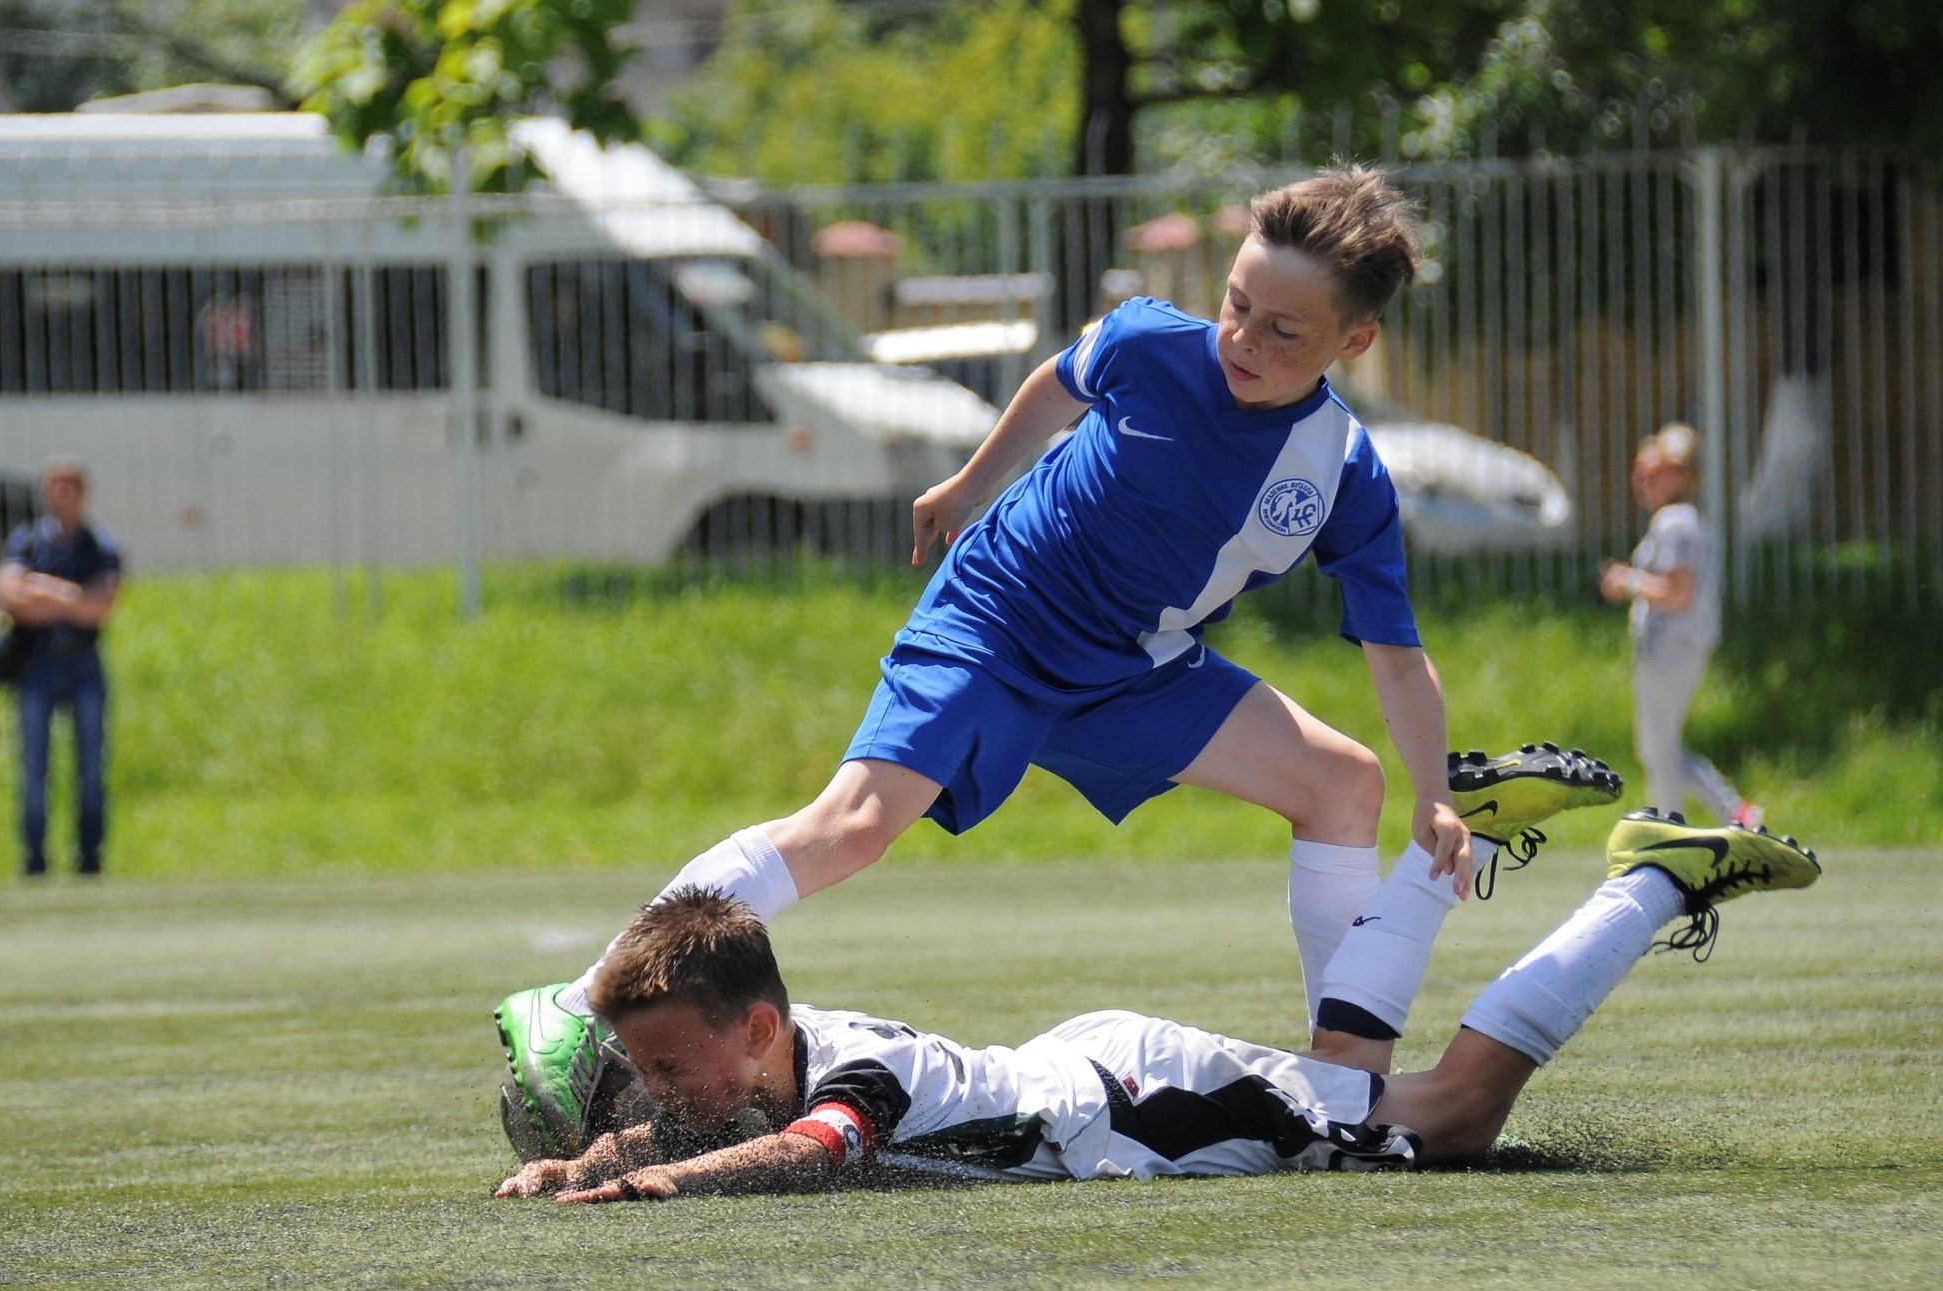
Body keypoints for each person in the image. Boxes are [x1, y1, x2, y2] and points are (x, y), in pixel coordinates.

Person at [496, 164, 1606, 1158]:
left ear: (1352, 343)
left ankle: (1344, 1092)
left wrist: (1430, 793)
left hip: (1135, 666)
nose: (1242, 340)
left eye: (1283, 331)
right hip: (1001, 616)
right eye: (1236, 304)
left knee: (1343, 783)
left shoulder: (1341, 472)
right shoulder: (1148, 341)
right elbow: (1057, 385)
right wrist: (968, 483)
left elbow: (1397, 655)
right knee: (854, 826)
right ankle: (584, 1004)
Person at [492, 810, 1819, 1202]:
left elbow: (806, 1151)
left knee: (1450, 1114)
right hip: (1100, 1080)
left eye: (671, 1064)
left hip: (1141, 1106)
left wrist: (657, 1184)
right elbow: (702, 1127)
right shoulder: (759, 1061)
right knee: (1354, 1069)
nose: (660, 1093)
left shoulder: (851, 1073)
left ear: (758, 1029)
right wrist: (576, 1163)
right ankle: (1443, 845)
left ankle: (1651, 877)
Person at [1599, 424, 1760, 827]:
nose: (1642, 480)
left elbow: (1678, 592)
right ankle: (1733, 813)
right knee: (1658, 747)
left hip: (1672, 644)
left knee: (1658, 749)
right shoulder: (1683, 521)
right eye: (1639, 471)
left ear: (1681, 477)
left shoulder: (1673, 522)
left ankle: (1672, 830)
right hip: (1681, 644)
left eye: (1654, 472)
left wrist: (1626, 581)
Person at [0, 457, 123, 877]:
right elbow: (10, 594)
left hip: (83, 665)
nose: (63, 494)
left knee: (91, 768)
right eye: (56, 486)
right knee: (33, 768)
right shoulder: (28, 540)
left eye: (71, 486)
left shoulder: (100, 544)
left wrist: (44, 590)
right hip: (36, 665)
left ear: (83, 493)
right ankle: (34, 859)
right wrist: (72, 597)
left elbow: (100, 607)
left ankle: (89, 857)